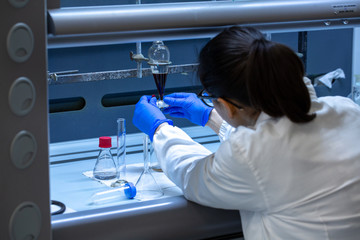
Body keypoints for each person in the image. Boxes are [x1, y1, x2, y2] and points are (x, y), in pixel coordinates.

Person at [132, 26, 360, 239]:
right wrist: (211, 117)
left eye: (211, 99)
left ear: (228, 106)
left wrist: (160, 129)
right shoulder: (347, 110)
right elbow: (269, 143)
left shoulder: (251, 154)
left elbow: (191, 176)